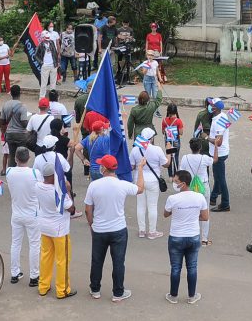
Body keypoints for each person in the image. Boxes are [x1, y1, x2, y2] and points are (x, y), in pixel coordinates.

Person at [85, 154, 147, 302]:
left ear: (104, 168)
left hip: (99, 229)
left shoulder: (94, 185)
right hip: (118, 229)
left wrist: (91, 225)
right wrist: (140, 169)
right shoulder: (122, 185)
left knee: (97, 260)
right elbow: (140, 189)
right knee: (118, 262)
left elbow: (88, 209)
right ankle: (118, 292)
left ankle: (95, 289)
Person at [163, 169, 208, 304]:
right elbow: (205, 217)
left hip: (176, 236)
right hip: (193, 236)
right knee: (192, 267)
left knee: (176, 267)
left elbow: (165, 214)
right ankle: (192, 296)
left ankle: (173, 295)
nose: (174, 183)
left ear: (183, 183)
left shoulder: (173, 199)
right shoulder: (199, 197)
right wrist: (193, 215)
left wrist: (177, 212)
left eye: (176, 181)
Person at [6, 147, 43, 288]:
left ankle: (14, 274)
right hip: (32, 214)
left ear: (16, 158)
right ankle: (34, 276)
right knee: (34, 244)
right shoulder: (35, 173)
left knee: (15, 243)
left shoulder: (9, 172)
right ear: (28, 159)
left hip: (16, 214)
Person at [38, 159, 76, 298]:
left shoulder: (38, 187)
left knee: (45, 257)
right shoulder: (59, 192)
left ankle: (43, 286)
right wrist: (68, 190)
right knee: (62, 260)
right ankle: (62, 290)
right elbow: (71, 208)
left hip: (44, 227)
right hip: (60, 229)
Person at [130, 128, 169, 238]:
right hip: (153, 180)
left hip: (139, 179)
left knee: (140, 205)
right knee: (152, 206)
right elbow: (166, 164)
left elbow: (132, 166)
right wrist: (169, 153)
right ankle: (152, 232)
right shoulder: (157, 149)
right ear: (151, 138)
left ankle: (141, 230)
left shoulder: (135, 149)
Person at [207, 99, 231, 212]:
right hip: (221, 152)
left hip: (219, 154)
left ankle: (225, 203)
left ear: (215, 108)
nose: (209, 105)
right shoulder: (223, 116)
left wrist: (205, 137)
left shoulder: (218, 121)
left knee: (220, 178)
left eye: (211, 104)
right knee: (217, 176)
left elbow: (218, 142)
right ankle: (213, 197)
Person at [0, 85, 31, 160]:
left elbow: (2, 121)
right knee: (22, 157)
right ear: (20, 93)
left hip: (9, 134)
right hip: (20, 135)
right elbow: (24, 124)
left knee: (12, 157)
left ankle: (11, 170)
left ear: (11, 94)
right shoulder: (22, 106)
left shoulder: (5, 105)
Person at [160, 103, 185, 174]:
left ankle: (170, 175)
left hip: (168, 141)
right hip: (176, 141)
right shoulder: (178, 121)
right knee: (176, 157)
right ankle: (176, 174)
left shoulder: (164, 120)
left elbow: (163, 132)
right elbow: (181, 133)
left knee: (169, 156)